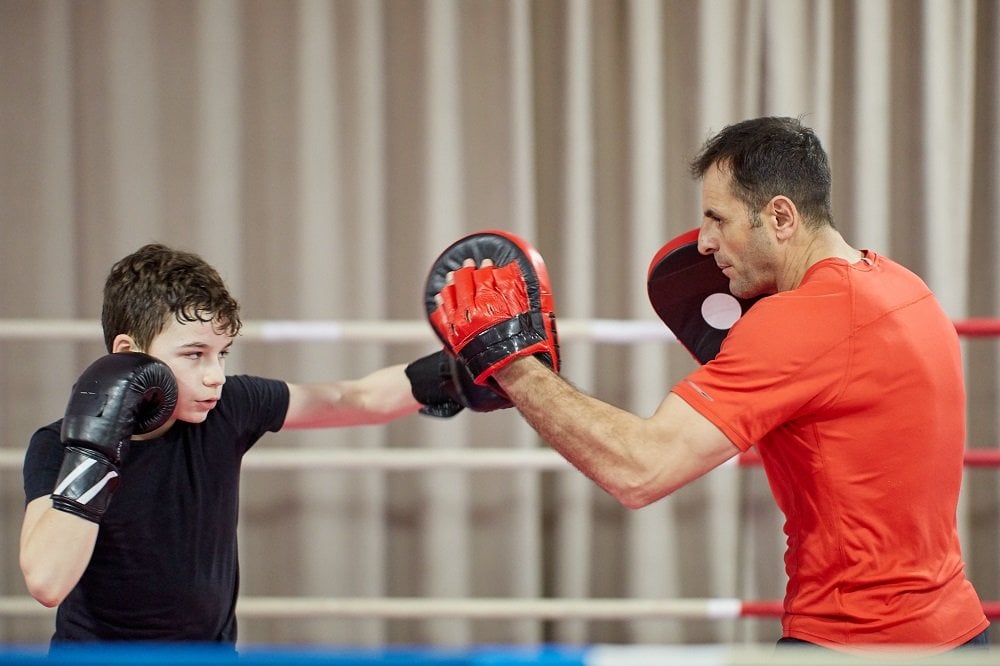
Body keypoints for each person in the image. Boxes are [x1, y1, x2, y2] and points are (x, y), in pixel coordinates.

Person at [428, 117, 990, 653]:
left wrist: (513, 364)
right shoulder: (902, 286)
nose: (702, 242)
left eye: (717, 219)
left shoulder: (803, 321)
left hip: (857, 645)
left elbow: (638, 470)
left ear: (781, 217)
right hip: (957, 633)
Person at [19, 242, 498, 644]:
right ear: (128, 354)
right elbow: (47, 583)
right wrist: (96, 449)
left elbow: (351, 398)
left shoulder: (228, 407)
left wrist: (462, 370)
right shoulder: (56, 445)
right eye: (194, 355)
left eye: (221, 354)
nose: (214, 376)